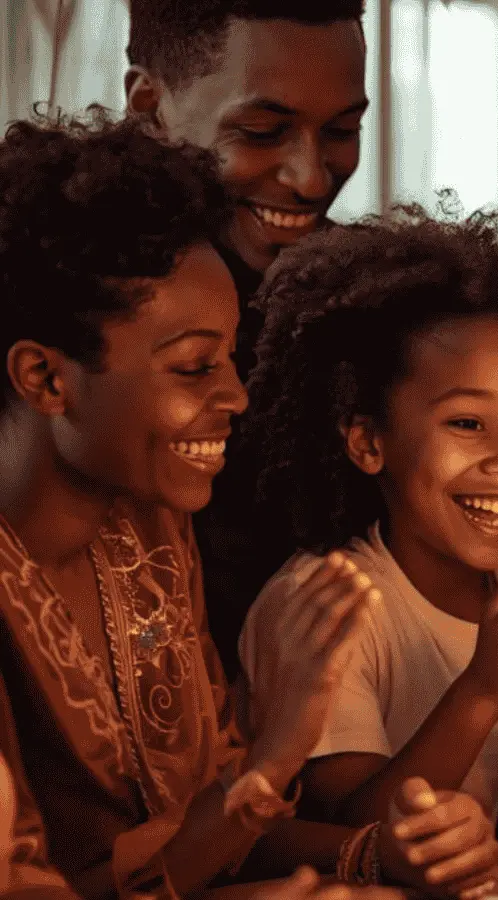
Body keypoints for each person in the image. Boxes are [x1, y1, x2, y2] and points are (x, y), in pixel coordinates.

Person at [0, 112, 373, 900]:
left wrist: (372, 854)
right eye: (195, 367)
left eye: (230, 358)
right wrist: (274, 757)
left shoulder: (152, 531)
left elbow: (206, 831)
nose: (237, 396)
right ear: (45, 378)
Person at [237, 205, 498, 844]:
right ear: (369, 442)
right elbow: (352, 832)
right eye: (468, 423)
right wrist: (485, 690)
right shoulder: (323, 607)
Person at [124, 0, 370, 683]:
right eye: (263, 132)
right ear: (149, 108)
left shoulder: (368, 303)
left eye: (343, 130)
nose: (311, 178)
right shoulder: (66, 315)